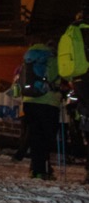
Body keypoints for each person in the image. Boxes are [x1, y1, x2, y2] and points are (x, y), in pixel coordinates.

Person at [20, 42, 61, 180]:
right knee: (46, 137)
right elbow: (62, 75)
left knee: (35, 136)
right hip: (48, 102)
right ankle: (42, 169)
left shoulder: (28, 58)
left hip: (29, 101)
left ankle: (35, 168)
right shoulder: (53, 59)